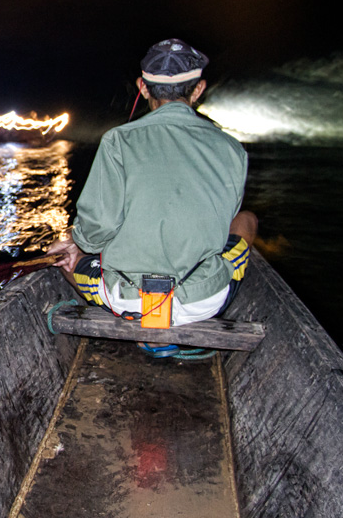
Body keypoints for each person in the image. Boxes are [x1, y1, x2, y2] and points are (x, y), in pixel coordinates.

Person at [47, 38, 258, 354]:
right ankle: (172, 327)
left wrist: (75, 243)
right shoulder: (232, 148)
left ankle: (145, 329)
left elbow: (95, 233)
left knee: (69, 257)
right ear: (198, 89)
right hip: (201, 301)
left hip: (130, 300)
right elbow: (221, 219)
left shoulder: (118, 140)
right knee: (247, 220)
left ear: (143, 88)